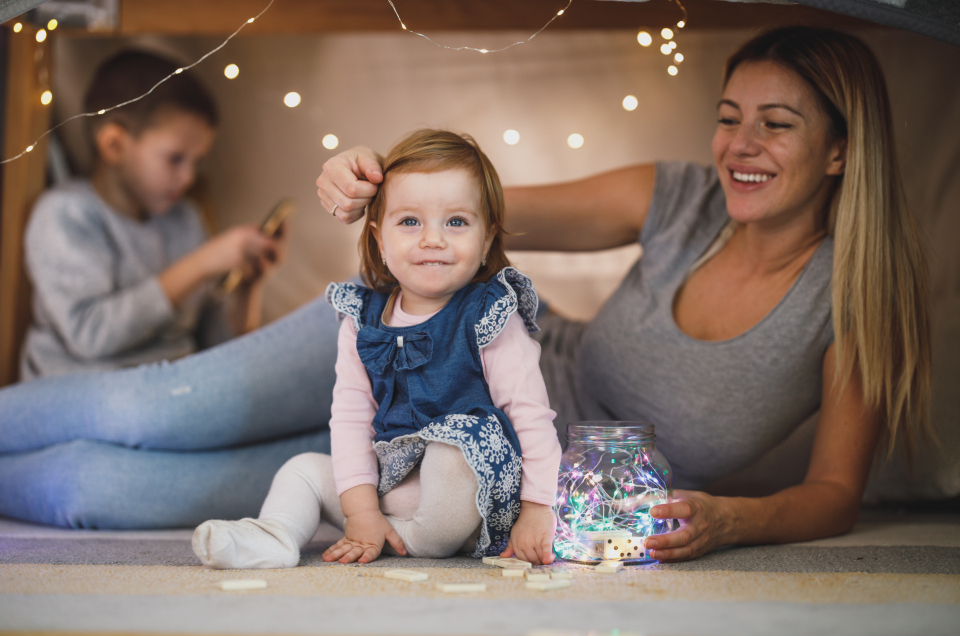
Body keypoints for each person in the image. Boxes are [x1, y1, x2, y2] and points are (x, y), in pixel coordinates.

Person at [0, 27, 931, 562]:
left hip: (464, 467)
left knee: (97, 489)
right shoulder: (681, 198)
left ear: (840, 152)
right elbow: (467, 206)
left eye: (777, 124)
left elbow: (833, 494)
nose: (740, 146)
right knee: (150, 408)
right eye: (729, 118)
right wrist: (372, 180)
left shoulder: (849, 304)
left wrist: (729, 517)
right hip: (418, 331)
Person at [191, 129, 560, 569]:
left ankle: (415, 539)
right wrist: (361, 512)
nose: (433, 239)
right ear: (379, 239)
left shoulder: (491, 313)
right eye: (410, 222)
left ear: (486, 241)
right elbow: (350, 418)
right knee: (302, 468)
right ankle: (276, 535)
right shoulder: (361, 318)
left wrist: (537, 508)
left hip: (467, 496)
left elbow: (529, 413)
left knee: (453, 450)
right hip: (392, 488)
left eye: (457, 222)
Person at [20, 50, 285, 380]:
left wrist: (249, 286)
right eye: (176, 159)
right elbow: (89, 335)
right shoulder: (65, 214)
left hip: (171, 386)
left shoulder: (185, 218)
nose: (189, 177)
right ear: (115, 145)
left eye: (196, 161)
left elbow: (217, 345)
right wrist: (201, 263)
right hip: (86, 388)